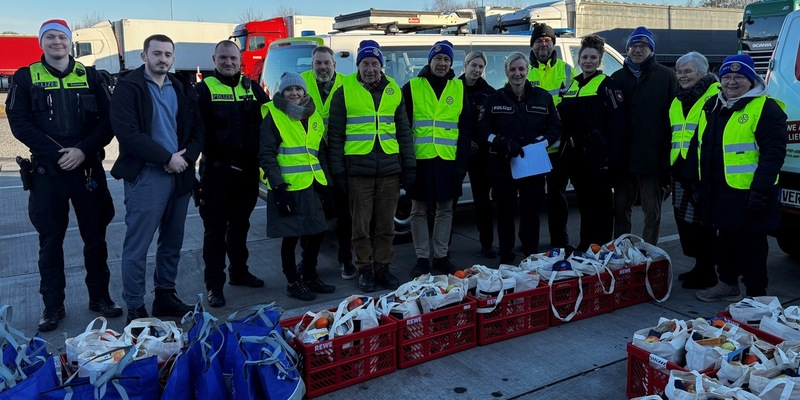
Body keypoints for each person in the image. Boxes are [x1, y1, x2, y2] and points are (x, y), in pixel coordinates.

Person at [5, 19, 122, 332]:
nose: (57, 42)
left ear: (71, 42)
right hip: (48, 173)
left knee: (95, 239)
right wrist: (59, 153)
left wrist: (82, 150)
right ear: (41, 43)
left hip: (87, 171)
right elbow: (19, 122)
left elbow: (109, 120)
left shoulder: (91, 75)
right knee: (50, 242)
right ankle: (52, 306)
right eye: (50, 37)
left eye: (62, 37)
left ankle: (100, 297)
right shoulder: (26, 77)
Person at [110, 34, 204, 323]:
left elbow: (198, 130)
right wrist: (166, 158)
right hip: (147, 175)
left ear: (173, 58)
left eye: (168, 54)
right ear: (144, 56)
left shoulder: (181, 87)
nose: (163, 59)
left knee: (172, 242)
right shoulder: (129, 87)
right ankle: (135, 306)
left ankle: (165, 295)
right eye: (157, 53)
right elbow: (128, 134)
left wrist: (186, 159)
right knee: (138, 246)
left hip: (180, 174)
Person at [686, 54, 786, 301]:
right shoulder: (712, 105)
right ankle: (727, 284)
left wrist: (760, 191)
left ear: (751, 80)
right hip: (717, 190)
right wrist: (694, 181)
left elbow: (773, 155)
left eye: (739, 77)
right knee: (722, 241)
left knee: (752, 245)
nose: (731, 82)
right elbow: (698, 145)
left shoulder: (766, 108)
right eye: (727, 77)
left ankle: (755, 295)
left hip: (749, 192)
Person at [327, 40, 415, 292]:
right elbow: (335, 135)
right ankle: (365, 268)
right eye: (365, 63)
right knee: (361, 226)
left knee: (386, 226)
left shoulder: (394, 90)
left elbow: (404, 132)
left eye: (375, 63)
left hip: (389, 170)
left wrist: (409, 166)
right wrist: (338, 171)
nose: (370, 69)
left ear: (381, 65)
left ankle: (382, 267)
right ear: (358, 66)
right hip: (358, 171)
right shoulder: (344, 91)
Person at [195, 41, 269, 308]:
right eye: (223, 58)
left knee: (240, 227)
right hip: (217, 174)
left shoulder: (253, 89)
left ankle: (239, 272)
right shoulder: (203, 90)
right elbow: (193, 131)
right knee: (215, 232)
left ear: (241, 61)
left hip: (247, 173)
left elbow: (272, 119)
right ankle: (214, 286)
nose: (228, 62)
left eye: (233, 58)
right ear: (214, 59)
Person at [479, 52, 561, 265]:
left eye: (521, 69)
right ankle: (506, 257)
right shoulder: (494, 99)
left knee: (531, 212)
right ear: (506, 72)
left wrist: (540, 143)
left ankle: (531, 255)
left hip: (532, 164)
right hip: (502, 165)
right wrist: (502, 142)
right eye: (513, 69)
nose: (517, 73)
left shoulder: (543, 97)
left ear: (527, 71)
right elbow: (483, 131)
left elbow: (555, 128)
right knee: (505, 214)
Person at [259, 72, 336, 301]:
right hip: (288, 187)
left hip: (312, 184)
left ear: (304, 91)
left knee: (317, 231)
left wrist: (327, 184)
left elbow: (319, 153)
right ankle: (293, 282)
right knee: (290, 237)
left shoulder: (313, 115)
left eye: (298, 89)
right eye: (289, 90)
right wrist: (278, 186)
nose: (294, 93)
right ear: (282, 93)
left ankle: (310, 275)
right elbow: (266, 154)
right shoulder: (274, 114)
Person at [402, 40, 471, 276]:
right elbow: (403, 128)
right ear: (430, 60)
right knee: (418, 211)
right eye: (438, 58)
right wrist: (406, 163)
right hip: (420, 161)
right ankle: (422, 258)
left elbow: (465, 132)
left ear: (451, 63)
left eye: (447, 59)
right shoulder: (412, 87)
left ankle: (441, 256)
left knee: (445, 210)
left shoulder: (459, 88)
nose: (442, 63)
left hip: (448, 161)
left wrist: (461, 167)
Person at [556, 35, 624, 251]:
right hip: (576, 157)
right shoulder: (573, 85)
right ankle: (586, 244)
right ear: (578, 59)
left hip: (599, 156)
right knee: (584, 204)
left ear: (599, 60)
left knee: (601, 205)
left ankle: (601, 247)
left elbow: (618, 123)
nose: (588, 61)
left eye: (593, 57)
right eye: (584, 57)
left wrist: (612, 157)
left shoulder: (607, 85)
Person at [610, 26, 677, 245]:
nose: (638, 50)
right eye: (634, 46)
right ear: (627, 49)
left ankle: (649, 251)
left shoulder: (667, 76)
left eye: (643, 46)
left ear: (652, 50)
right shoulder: (617, 78)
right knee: (621, 207)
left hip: (653, 156)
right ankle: (622, 249)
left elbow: (675, 118)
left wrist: (667, 158)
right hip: (624, 156)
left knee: (652, 210)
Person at [299, 46, 356, 280]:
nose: (322, 67)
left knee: (344, 213)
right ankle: (307, 262)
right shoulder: (301, 82)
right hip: (310, 158)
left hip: (340, 155)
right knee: (312, 213)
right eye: (318, 63)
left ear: (334, 64)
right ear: (312, 65)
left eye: (326, 63)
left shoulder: (348, 83)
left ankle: (346, 259)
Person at [669, 51, 720, 290]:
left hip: (702, 170)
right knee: (687, 223)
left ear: (702, 72)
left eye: (687, 71)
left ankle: (708, 272)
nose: (682, 76)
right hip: (680, 168)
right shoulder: (677, 99)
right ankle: (699, 266)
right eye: (679, 72)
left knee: (704, 224)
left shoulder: (716, 95)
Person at [528, 23, 578, 250]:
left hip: (560, 148)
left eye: (547, 40)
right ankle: (530, 243)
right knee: (532, 199)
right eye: (539, 40)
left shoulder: (567, 71)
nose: (543, 44)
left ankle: (560, 240)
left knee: (557, 198)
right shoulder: (523, 70)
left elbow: (576, 104)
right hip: (533, 149)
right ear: (532, 45)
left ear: (553, 44)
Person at [459, 51, 497, 259]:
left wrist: (479, 142)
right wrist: (464, 141)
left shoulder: (489, 93)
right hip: (456, 151)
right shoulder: (453, 88)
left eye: (481, 66)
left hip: (480, 154)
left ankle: (487, 244)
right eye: (473, 65)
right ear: (465, 65)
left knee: (483, 201)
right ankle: (442, 249)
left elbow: (491, 124)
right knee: (448, 202)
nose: (477, 70)